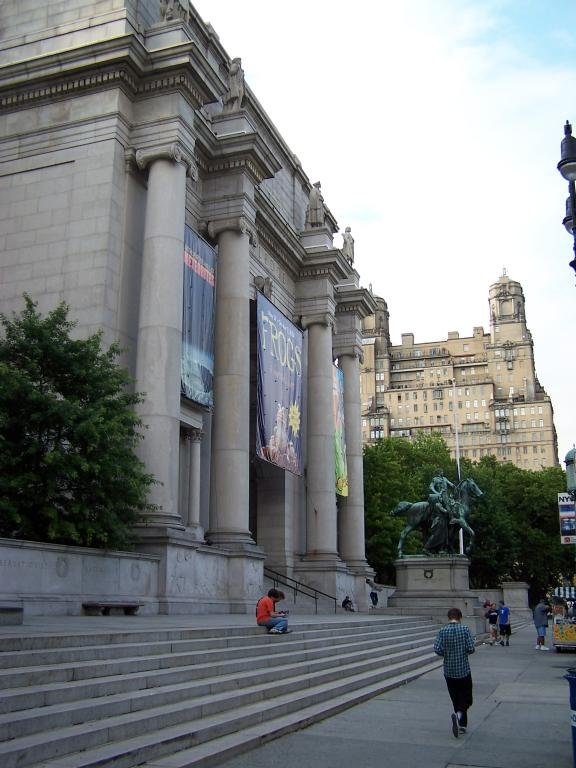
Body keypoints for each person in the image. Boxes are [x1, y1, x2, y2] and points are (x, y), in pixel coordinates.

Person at [434, 607, 475, 738]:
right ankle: (459, 717)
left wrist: (447, 653)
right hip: (463, 669)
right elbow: (471, 648)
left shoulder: (443, 631)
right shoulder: (465, 629)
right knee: (466, 697)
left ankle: (461, 724)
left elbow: (437, 649)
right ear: (460, 617)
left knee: (455, 697)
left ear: (449, 617)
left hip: (449, 670)